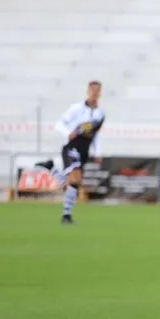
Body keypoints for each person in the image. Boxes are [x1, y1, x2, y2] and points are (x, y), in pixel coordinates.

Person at [36, 81, 106, 223]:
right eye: (92, 89)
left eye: (97, 90)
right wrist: (68, 133)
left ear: (100, 93)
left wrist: (98, 152)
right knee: (75, 179)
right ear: (88, 91)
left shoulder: (100, 114)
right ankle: (66, 216)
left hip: (84, 149)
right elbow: (59, 123)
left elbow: (96, 134)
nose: (94, 92)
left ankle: (66, 214)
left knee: (73, 183)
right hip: (72, 146)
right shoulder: (76, 108)